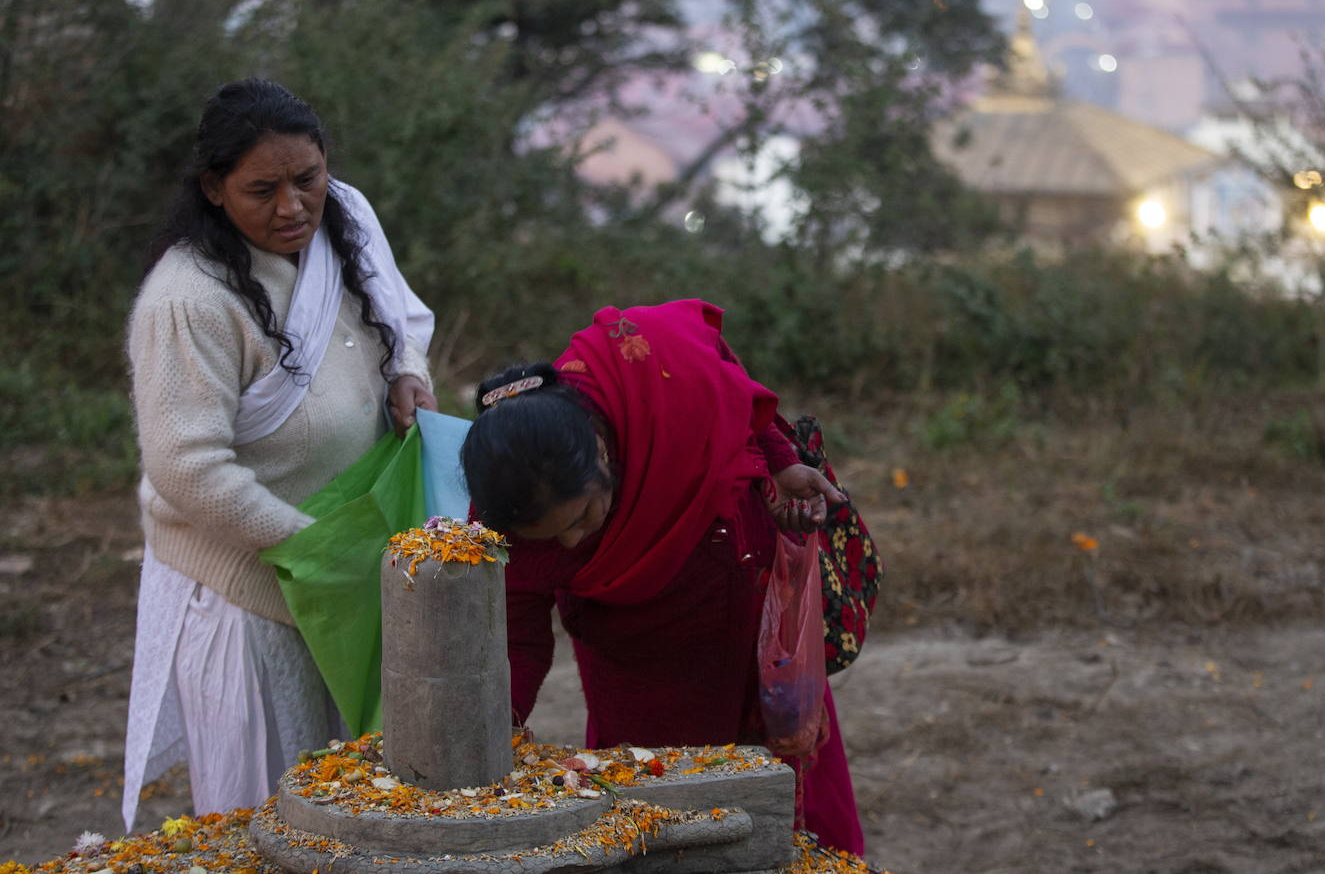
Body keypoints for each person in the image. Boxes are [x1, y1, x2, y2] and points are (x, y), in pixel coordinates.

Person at [120, 78, 436, 830]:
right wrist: (312, 549)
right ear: (214, 189)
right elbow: (187, 468)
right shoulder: (187, 300)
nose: (292, 207)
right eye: (263, 190)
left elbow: (403, 313)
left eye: (308, 180)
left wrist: (406, 372)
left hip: (346, 571)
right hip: (251, 589)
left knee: (360, 798)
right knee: (272, 810)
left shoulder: (346, 220)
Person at [461, 299, 865, 855]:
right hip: (636, 669)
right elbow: (516, 634)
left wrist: (779, 462)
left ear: (604, 451)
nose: (573, 543)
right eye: (551, 538)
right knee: (666, 828)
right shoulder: (500, 512)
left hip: (745, 613)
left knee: (792, 815)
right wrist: (497, 732)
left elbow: (735, 396)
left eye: (583, 517)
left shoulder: (651, 367)